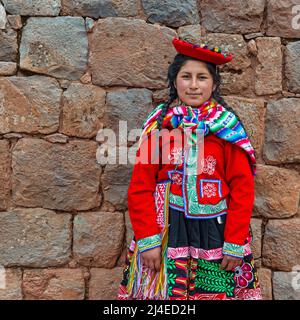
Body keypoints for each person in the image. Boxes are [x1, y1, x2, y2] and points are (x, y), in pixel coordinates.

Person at [117, 37, 262, 300]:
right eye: (186, 76)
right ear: (175, 82)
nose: (194, 85)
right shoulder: (160, 127)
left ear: (214, 84)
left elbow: (242, 190)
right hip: (166, 232)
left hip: (216, 234)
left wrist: (234, 243)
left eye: (202, 77)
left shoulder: (228, 131)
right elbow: (140, 188)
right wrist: (148, 240)